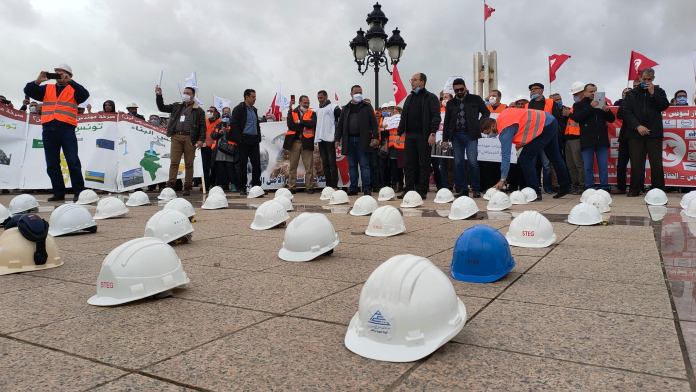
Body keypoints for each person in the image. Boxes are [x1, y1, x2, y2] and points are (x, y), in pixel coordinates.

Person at [23, 64, 89, 201]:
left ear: (69, 75)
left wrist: (70, 82)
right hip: (48, 129)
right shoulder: (48, 88)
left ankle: (79, 192)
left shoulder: (74, 89)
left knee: (72, 161)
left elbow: (84, 95)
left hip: (66, 129)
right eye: (56, 73)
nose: (58, 75)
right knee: (52, 163)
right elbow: (28, 90)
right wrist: (38, 81)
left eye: (62, 73)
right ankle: (59, 193)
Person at [481, 108, 570, 200]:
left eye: (487, 133)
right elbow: (524, 125)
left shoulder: (504, 131)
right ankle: (565, 187)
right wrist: (521, 144)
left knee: (525, 159)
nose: (489, 136)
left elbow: (505, 157)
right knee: (555, 157)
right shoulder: (503, 116)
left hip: (544, 127)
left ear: (492, 126)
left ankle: (535, 192)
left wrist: (502, 179)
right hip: (549, 120)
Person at [622, 68, 670, 196]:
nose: (647, 81)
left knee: (656, 163)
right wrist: (637, 126)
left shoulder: (659, 91)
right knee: (637, 163)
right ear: (639, 78)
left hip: (654, 133)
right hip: (635, 134)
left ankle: (658, 190)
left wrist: (653, 93)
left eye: (649, 79)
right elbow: (626, 112)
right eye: (644, 79)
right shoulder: (631, 94)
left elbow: (664, 106)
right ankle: (635, 189)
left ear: (653, 79)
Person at [442, 78, 490, 198]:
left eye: (461, 89)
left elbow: (486, 113)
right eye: (456, 90)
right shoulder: (450, 103)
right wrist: (445, 139)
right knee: (458, 163)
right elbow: (446, 121)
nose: (459, 91)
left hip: (471, 135)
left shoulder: (475, 99)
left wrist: (479, 123)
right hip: (456, 136)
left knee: (473, 162)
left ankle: (476, 189)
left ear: (465, 87)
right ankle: (462, 189)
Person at [155, 85, 205, 196]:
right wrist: (159, 95)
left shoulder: (199, 110)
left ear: (193, 95)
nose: (185, 95)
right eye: (184, 92)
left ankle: (187, 187)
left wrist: (201, 139)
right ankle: (170, 185)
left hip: (190, 138)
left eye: (188, 93)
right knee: (174, 162)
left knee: (189, 164)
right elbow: (162, 107)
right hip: (176, 137)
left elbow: (202, 126)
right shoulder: (176, 106)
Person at [397, 73, 440, 199]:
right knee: (409, 164)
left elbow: (436, 117)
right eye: (412, 80)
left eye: (415, 80)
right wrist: (400, 133)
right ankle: (409, 189)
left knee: (423, 163)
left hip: (424, 135)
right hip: (410, 136)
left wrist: (432, 133)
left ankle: (422, 190)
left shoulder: (430, 97)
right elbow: (404, 116)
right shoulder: (409, 98)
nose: (412, 82)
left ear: (422, 82)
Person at [336, 85, 379, 196]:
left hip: (363, 140)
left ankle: (366, 188)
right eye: (356, 92)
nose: (358, 94)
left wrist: (375, 137)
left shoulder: (367, 106)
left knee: (364, 165)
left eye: (360, 92)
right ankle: (353, 188)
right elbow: (340, 125)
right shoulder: (345, 108)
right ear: (351, 94)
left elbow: (374, 123)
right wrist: (337, 139)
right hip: (349, 140)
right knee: (352, 165)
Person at [571, 83, 615, 191]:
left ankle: (604, 187)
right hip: (587, 140)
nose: (593, 93)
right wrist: (591, 107)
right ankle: (589, 187)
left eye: (595, 91)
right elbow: (577, 118)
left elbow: (611, 119)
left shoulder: (602, 102)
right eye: (591, 91)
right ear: (585, 93)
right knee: (587, 166)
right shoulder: (578, 105)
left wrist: (607, 110)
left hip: (602, 140)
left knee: (603, 166)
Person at [231, 89, 266, 196]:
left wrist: (258, 137)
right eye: (253, 97)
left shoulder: (254, 110)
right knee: (242, 165)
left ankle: (256, 187)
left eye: (255, 97)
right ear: (246, 97)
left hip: (254, 140)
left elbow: (257, 125)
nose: (255, 99)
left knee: (256, 165)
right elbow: (234, 125)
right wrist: (239, 139)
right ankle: (242, 187)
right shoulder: (238, 109)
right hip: (243, 140)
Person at [284, 95, 317, 194]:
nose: (306, 105)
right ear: (300, 102)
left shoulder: (312, 112)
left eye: (308, 103)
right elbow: (291, 125)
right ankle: (292, 186)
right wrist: (304, 125)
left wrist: (300, 122)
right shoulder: (292, 112)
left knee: (309, 166)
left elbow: (313, 123)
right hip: (295, 142)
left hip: (307, 142)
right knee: (293, 166)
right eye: (305, 103)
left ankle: (309, 187)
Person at [315, 90, 341, 189]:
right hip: (320, 140)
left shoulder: (333, 107)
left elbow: (341, 117)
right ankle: (328, 185)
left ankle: (334, 185)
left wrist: (337, 135)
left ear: (326, 97)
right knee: (325, 163)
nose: (319, 100)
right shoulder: (317, 110)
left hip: (330, 139)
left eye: (321, 98)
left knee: (332, 163)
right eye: (318, 98)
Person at [612, 86, 634, 194]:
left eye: (629, 93)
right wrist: (625, 101)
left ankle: (637, 187)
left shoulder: (638, 103)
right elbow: (620, 115)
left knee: (637, 164)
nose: (627, 94)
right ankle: (621, 187)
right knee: (621, 164)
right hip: (625, 137)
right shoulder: (623, 104)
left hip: (637, 138)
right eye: (625, 93)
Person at [564, 82, 585, 194]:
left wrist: (569, 114)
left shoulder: (584, 105)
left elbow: (579, 118)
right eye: (574, 94)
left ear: (583, 92)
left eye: (576, 93)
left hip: (577, 138)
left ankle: (581, 185)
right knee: (571, 164)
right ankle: (575, 185)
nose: (575, 96)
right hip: (568, 139)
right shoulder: (573, 107)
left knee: (578, 164)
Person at [210, 113, 240, 191]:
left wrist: (228, 132)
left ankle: (233, 185)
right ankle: (220, 185)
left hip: (229, 150)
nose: (225, 119)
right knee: (220, 169)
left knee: (230, 169)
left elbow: (236, 136)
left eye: (227, 117)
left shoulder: (233, 125)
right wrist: (219, 133)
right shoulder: (218, 125)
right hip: (219, 151)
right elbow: (213, 135)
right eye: (224, 117)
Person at [202, 106, 221, 190]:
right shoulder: (205, 121)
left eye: (211, 111)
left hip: (215, 148)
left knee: (214, 167)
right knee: (205, 167)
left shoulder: (219, 122)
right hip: (205, 147)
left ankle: (213, 184)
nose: (209, 112)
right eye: (208, 111)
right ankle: (206, 185)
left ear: (216, 113)